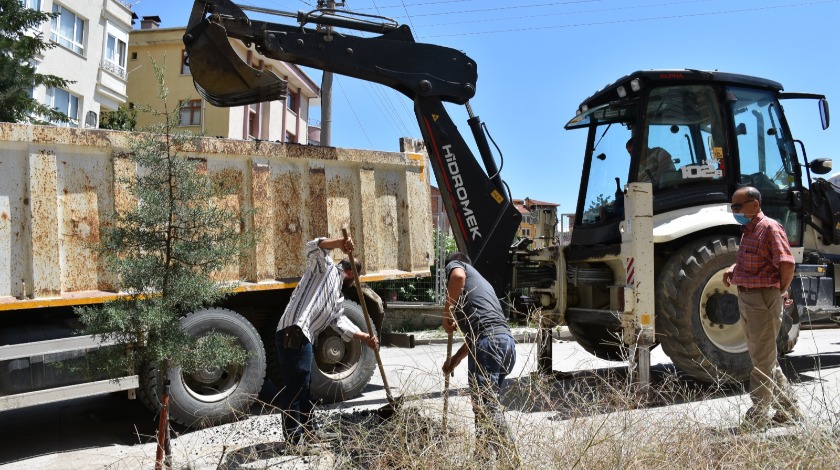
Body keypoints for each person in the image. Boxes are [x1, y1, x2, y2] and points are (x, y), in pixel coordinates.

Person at [276, 235, 379, 445]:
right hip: (294, 330)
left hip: (303, 335)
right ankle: (294, 439)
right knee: (297, 386)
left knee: (305, 385)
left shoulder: (336, 295)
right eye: (356, 279)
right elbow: (315, 246)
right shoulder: (325, 268)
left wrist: (365, 337)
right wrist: (341, 242)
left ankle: (310, 432)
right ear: (352, 274)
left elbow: (338, 321)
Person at [722, 186, 801, 428]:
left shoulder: (769, 228)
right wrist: (734, 269)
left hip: (763, 300)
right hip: (749, 299)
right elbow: (757, 262)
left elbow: (787, 265)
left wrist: (778, 292)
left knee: (762, 361)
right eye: (732, 206)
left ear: (754, 205)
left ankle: (758, 414)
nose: (733, 211)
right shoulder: (749, 231)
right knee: (764, 357)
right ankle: (789, 411)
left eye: (737, 206)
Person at [441, 252, 519, 463]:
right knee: (483, 406)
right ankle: (482, 457)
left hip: (489, 344)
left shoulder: (457, 265)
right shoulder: (483, 283)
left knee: (486, 405)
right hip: (505, 344)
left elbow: (457, 277)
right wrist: (456, 359)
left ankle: (510, 461)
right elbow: (477, 334)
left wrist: (447, 313)